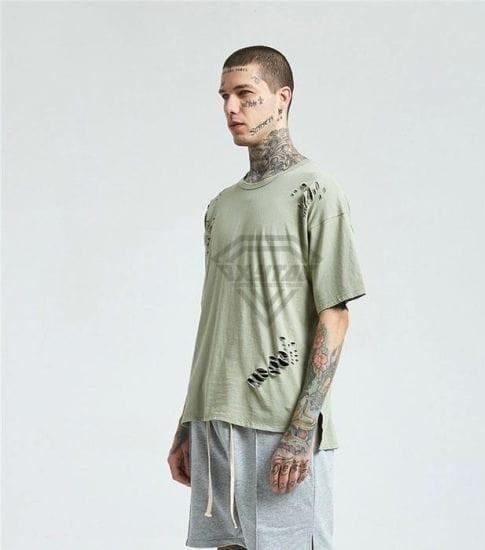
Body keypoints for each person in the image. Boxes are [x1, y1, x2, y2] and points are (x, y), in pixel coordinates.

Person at [167, 45, 366, 550]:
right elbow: (216, 320)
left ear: (282, 98)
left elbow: (334, 315)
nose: (231, 108)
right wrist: (188, 421)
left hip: (278, 421)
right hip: (215, 422)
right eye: (224, 97)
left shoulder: (316, 190)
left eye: (245, 94)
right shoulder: (221, 205)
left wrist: (301, 430)